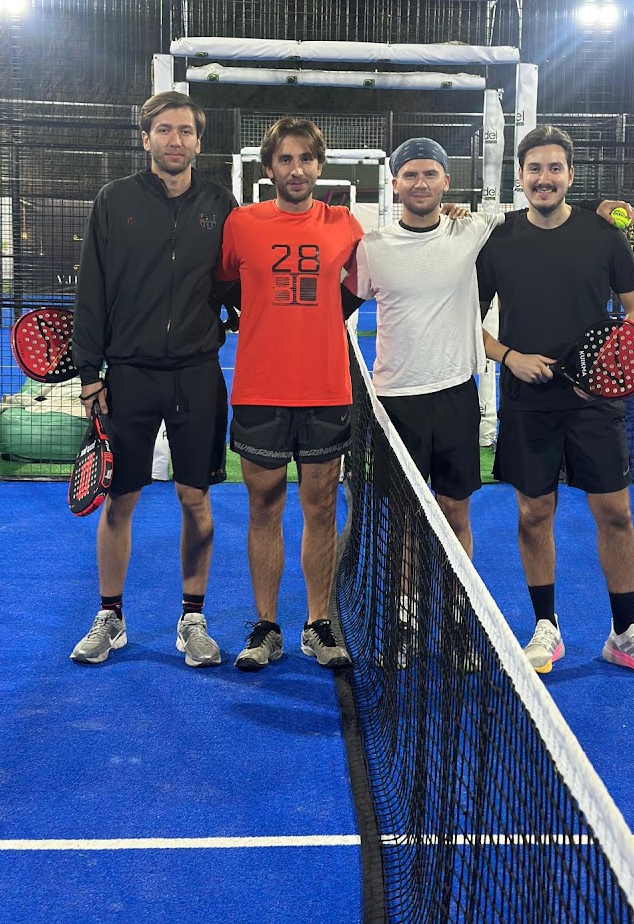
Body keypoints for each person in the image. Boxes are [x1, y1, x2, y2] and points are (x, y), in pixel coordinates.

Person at [478, 124, 634, 679]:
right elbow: (465, 321)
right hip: (527, 399)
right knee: (533, 512)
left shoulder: (602, 234)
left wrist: (607, 367)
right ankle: (546, 628)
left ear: (570, 175)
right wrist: (509, 356)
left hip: (595, 402)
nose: (544, 178)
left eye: (554, 168)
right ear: (520, 177)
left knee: (615, 512)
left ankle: (624, 634)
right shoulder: (498, 239)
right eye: (534, 169)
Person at [70, 91, 237, 668]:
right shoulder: (114, 200)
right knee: (121, 499)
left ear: (198, 141)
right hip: (129, 374)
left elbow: (235, 280)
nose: (175, 140)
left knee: (196, 500)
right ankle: (110, 617)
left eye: (185, 131)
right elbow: (92, 289)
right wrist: (90, 374)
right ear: (146, 138)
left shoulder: (221, 203)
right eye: (164, 129)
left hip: (196, 372)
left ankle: (192, 619)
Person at [218, 117, 362, 672]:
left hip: (326, 389)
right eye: (285, 159)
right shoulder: (242, 223)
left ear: (319, 166)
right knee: (264, 506)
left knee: (321, 508)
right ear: (269, 167)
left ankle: (318, 624)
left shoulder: (344, 224)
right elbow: (224, 283)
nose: (296, 169)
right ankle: (266, 626)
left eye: (306, 159)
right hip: (259, 390)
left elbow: (367, 279)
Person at [347, 137, 506, 558]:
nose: (421, 183)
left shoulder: (471, 230)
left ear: (446, 182)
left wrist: (598, 208)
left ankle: (456, 594)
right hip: (395, 403)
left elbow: (538, 216)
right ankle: (406, 594)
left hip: (456, 395)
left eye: (430, 174)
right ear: (395, 184)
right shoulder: (372, 247)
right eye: (411, 175)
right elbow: (334, 308)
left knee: (455, 511)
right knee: (404, 517)